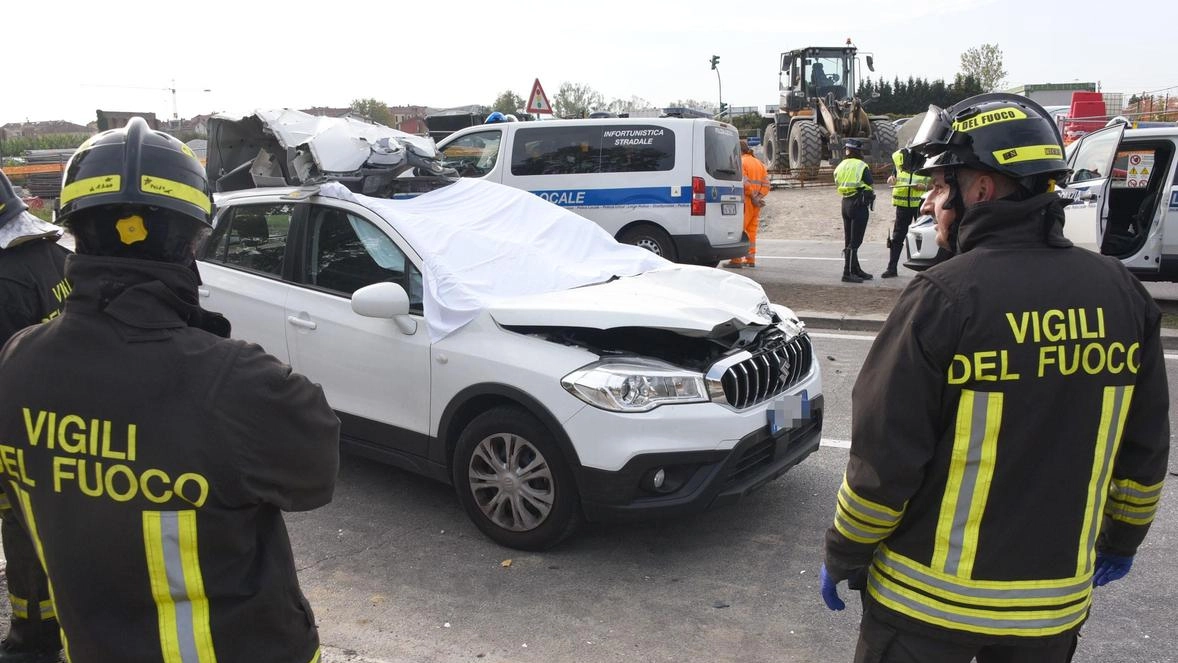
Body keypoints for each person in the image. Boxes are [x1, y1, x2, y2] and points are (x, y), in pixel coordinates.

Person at [820, 93, 1170, 662]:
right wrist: (1122, 540)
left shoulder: (943, 297)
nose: (931, 203)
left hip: (925, 609)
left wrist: (845, 551)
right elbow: (1145, 449)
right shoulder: (1121, 293)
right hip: (1051, 608)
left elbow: (884, 461)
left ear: (980, 189)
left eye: (939, 187)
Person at [0, 117, 341, 663]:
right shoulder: (240, 384)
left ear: (74, 232)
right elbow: (314, 476)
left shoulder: (16, 363)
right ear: (191, 240)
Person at [0, 171, 68, 663]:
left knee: (24, 537)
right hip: (63, 419)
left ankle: (35, 640)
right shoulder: (53, 253)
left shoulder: (3, 277)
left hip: (18, 433)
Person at [882, 147, 930, 277]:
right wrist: (891, 179)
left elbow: (937, 183)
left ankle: (926, 273)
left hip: (921, 205)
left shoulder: (928, 160)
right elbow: (894, 176)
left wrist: (924, 187)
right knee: (897, 237)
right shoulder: (900, 161)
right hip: (903, 205)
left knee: (923, 238)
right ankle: (892, 268)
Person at [833, 139, 874, 283]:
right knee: (855, 241)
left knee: (848, 240)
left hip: (845, 203)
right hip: (858, 204)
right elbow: (869, 181)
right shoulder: (861, 165)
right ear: (859, 151)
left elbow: (836, 181)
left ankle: (855, 269)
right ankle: (847, 272)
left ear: (848, 151)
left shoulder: (841, 165)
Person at [725, 139, 770, 269]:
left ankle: (736, 260)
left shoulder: (741, 162)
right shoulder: (759, 163)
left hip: (746, 201)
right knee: (751, 231)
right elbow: (766, 184)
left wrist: (752, 196)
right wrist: (759, 197)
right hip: (756, 203)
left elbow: (745, 183)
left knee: (739, 230)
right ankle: (750, 259)